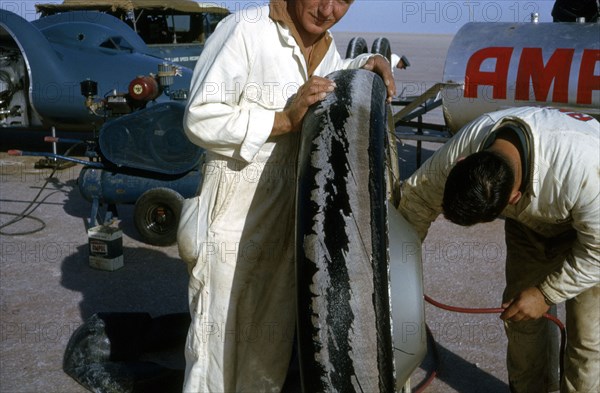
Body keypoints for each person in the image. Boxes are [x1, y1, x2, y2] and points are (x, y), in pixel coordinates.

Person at [181, 0, 396, 391]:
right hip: (235, 201)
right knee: (218, 349)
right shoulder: (245, 29)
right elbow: (200, 116)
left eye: (344, 1)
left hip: (291, 209)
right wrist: (283, 119)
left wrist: (365, 64)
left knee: (269, 350)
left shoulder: (325, 46)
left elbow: (327, 84)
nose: (329, 9)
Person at [398, 106, 599, 393]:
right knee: (522, 321)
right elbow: (417, 199)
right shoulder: (467, 143)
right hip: (532, 227)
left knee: (588, 341)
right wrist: (401, 272)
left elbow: (597, 253)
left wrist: (545, 294)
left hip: (594, 232)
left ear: (514, 198)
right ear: (463, 162)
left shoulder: (585, 165)